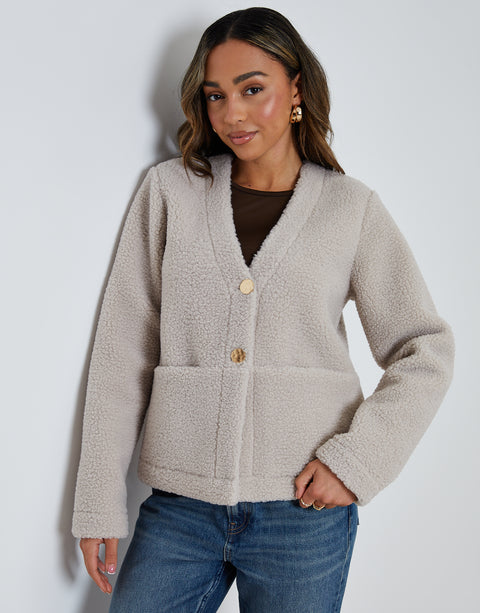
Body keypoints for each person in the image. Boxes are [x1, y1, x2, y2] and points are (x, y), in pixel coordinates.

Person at [72, 7, 455, 612]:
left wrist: (355, 463)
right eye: (215, 95)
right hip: (180, 506)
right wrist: (98, 502)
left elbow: (424, 348)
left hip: (303, 510)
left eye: (253, 89)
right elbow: (124, 349)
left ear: (296, 88)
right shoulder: (170, 191)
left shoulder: (350, 208)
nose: (232, 114)